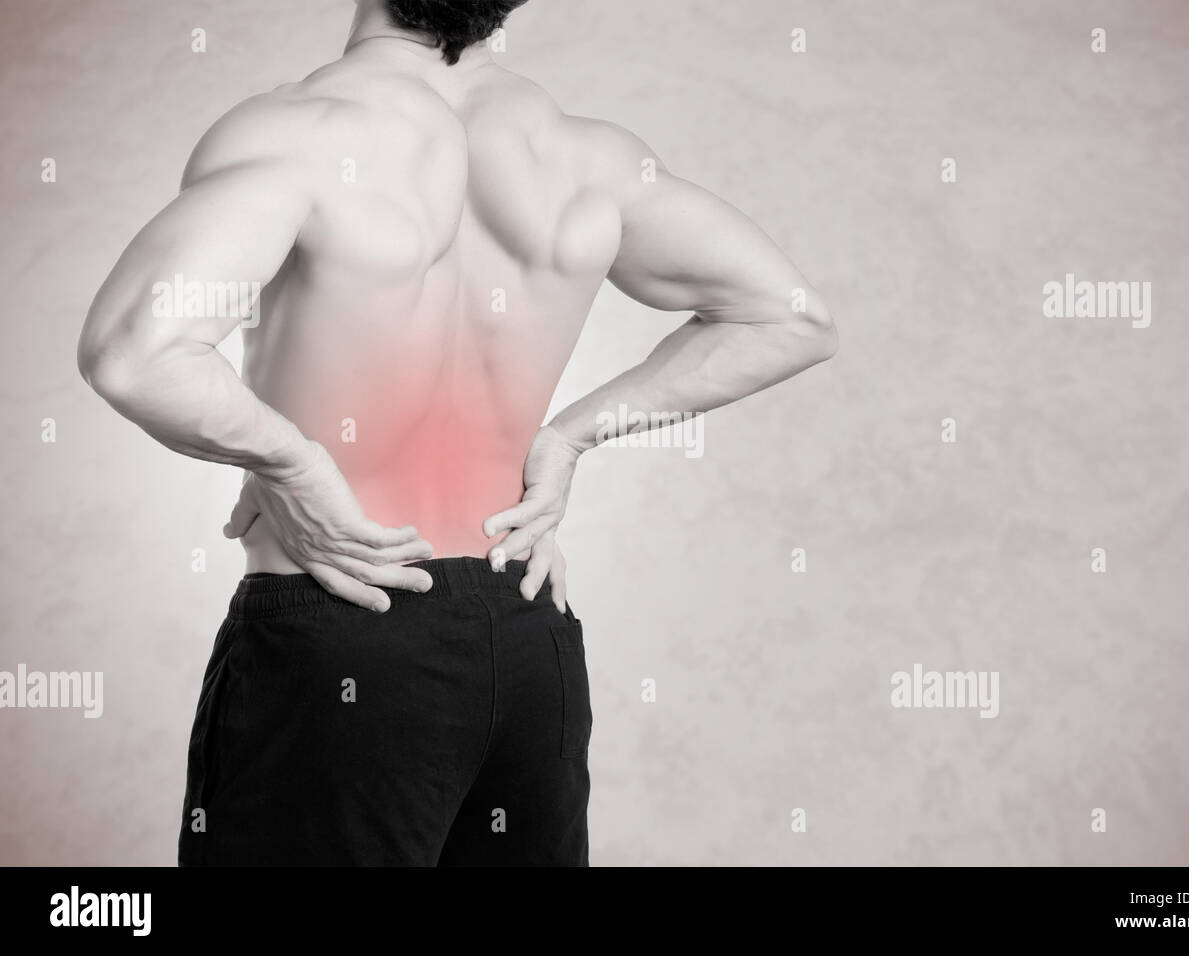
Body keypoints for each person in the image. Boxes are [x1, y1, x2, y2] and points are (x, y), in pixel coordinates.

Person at [76, 0, 837, 866]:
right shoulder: (587, 158)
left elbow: (133, 352)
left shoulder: (296, 134)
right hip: (525, 638)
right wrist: (570, 436)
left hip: (345, 624)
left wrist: (292, 461)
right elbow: (793, 318)